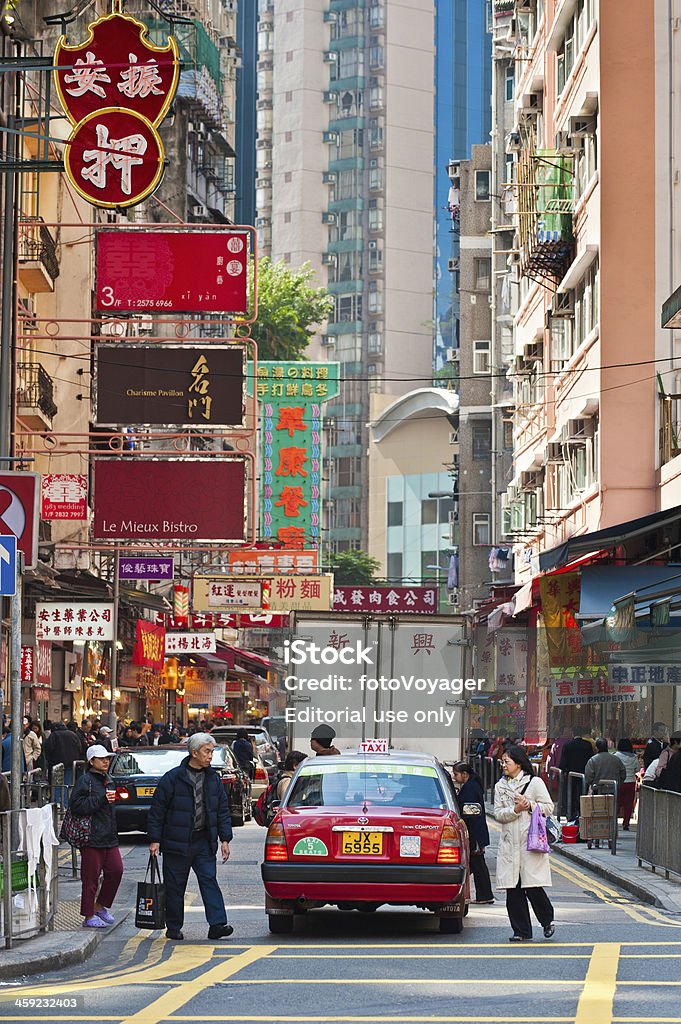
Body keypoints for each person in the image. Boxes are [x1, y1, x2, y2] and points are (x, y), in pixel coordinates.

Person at [148, 732, 233, 942]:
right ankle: (174, 926)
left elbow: (222, 810)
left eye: (212, 752)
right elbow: (158, 810)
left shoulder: (213, 778)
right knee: (175, 886)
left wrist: (225, 839)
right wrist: (155, 839)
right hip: (176, 843)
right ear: (194, 752)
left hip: (204, 841)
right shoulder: (173, 778)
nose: (210, 756)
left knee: (209, 880)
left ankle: (217, 924)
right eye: (206, 751)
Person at [494, 745, 555, 943]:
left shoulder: (535, 783)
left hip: (531, 843)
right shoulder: (499, 787)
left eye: (507, 762)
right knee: (514, 889)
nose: (503, 765)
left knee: (534, 886)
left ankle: (547, 921)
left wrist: (530, 805)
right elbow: (498, 815)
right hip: (509, 845)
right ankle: (521, 931)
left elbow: (549, 807)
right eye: (502, 762)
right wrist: (515, 809)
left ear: (518, 763)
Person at [69, 744, 124, 929]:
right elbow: (77, 805)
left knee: (116, 871)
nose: (106, 761)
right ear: (91, 761)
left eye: (107, 758)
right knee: (90, 879)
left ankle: (100, 906)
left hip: (109, 835)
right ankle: (88, 916)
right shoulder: (85, 780)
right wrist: (101, 800)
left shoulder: (109, 779)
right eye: (101, 759)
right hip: (91, 837)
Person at [451, 761, 494, 904]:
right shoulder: (471, 786)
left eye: (456, 774)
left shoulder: (469, 788)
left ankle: (485, 895)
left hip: (474, 832)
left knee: (477, 864)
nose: (454, 777)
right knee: (476, 864)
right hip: (476, 831)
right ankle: (484, 894)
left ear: (465, 774)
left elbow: (468, 812)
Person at [558, 726, 595, 821]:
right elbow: (591, 760)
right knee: (582, 793)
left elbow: (563, 763)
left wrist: (564, 770)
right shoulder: (587, 745)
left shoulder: (568, 745)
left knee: (571, 794)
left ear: (573, 733)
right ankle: (582, 813)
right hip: (584, 774)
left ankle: (571, 813)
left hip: (571, 774)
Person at [44, 721, 83, 807]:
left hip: (56, 764)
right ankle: (65, 804)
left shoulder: (54, 735)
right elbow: (79, 748)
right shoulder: (73, 734)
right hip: (71, 764)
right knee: (67, 784)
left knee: (56, 784)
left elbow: (48, 748)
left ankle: (57, 803)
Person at [613, 739, 638, 830]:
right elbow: (637, 769)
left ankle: (613, 823)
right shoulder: (634, 757)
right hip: (631, 782)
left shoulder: (615, 756)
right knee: (628, 804)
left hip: (619, 782)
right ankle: (626, 824)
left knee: (617, 803)